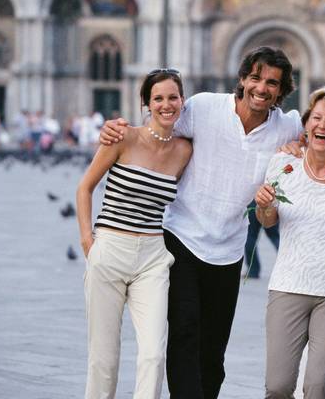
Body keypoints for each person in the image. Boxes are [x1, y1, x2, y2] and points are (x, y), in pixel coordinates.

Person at [99, 46, 301, 398]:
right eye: (255, 77)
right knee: (184, 333)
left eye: (272, 82)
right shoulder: (206, 107)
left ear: (281, 91)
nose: (261, 87)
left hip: (229, 251)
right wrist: (119, 130)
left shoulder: (287, 127)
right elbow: (160, 122)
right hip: (181, 238)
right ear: (242, 79)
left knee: (213, 351)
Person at [76, 69, 192, 399]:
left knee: (154, 354)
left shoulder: (185, 150)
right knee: (104, 358)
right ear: (146, 103)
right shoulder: (122, 137)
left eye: (173, 97)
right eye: (158, 98)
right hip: (109, 248)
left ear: (182, 101)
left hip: (153, 257)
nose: (166, 105)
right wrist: (89, 240)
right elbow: (84, 188)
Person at [254, 86, 325, 399]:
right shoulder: (284, 164)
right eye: (316, 118)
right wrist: (263, 206)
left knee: (317, 388)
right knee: (277, 386)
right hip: (288, 285)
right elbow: (267, 220)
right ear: (306, 125)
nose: (321, 125)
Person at [244, 201, 280, 279]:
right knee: (275, 237)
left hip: (253, 201)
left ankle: (253, 271)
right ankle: (288, 265)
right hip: (269, 200)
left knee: (250, 237)